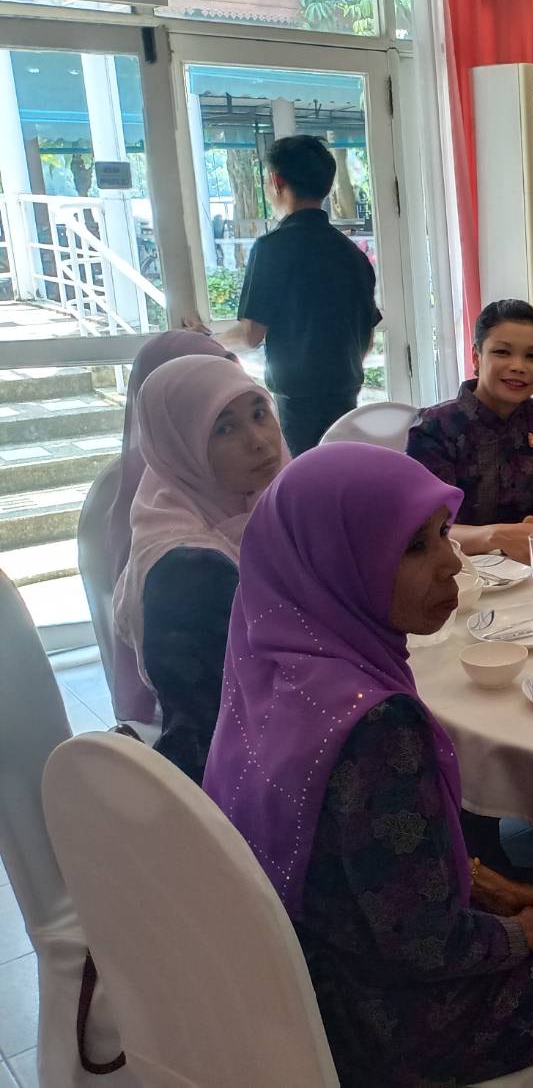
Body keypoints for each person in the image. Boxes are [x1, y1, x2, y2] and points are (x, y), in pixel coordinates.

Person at [203, 444, 533, 1086]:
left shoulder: (270, 658)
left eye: (443, 533)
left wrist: (490, 885)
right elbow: (426, 944)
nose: (453, 562)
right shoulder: (375, 725)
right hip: (387, 1021)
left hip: (297, 976)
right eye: (414, 548)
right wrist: (526, 933)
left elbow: (371, 860)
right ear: (337, 562)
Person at [112, 355, 288, 783]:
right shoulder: (190, 574)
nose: (259, 441)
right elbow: (221, 730)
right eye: (224, 428)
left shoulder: (263, 506)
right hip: (240, 779)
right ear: (181, 445)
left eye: (259, 414)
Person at [101, 330, 235, 728]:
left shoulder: (258, 477)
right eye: (223, 423)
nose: (258, 439)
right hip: (197, 714)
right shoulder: (166, 534)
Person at [215, 135, 381, 455]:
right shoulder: (352, 254)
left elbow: (250, 335)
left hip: (298, 404)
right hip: (346, 396)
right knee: (341, 474)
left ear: (277, 182)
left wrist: (209, 341)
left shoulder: (271, 248)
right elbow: (366, 339)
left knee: (303, 479)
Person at [407, 299, 533, 562]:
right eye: (502, 352)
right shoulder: (435, 426)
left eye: (532, 356)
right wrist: (495, 536)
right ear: (476, 357)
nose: (519, 366)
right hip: (453, 568)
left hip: (524, 562)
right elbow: (424, 526)